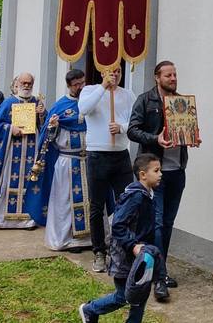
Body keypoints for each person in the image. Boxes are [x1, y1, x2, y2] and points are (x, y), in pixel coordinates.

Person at [128, 60, 190, 296]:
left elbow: (186, 130)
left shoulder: (182, 102)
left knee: (168, 223)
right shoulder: (145, 100)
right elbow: (132, 130)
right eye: (168, 75)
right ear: (157, 78)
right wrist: (156, 139)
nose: (173, 79)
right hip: (155, 174)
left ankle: (157, 268)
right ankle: (158, 276)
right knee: (156, 223)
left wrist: (192, 138)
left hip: (177, 171)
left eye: (175, 75)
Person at [78, 153, 164, 323]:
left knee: (140, 295)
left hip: (140, 256)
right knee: (124, 296)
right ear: (143, 174)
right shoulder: (135, 197)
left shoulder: (149, 195)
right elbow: (118, 225)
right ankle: (89, 310)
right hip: (125, 256)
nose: (160, 174)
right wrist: (133, 245)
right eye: (156, 170)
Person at [25, 69, 92, 251]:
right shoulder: (60, 106)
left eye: (82, 83)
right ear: (69, 86)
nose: (80, 87)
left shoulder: (91, 103)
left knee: (90, 199)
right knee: (65, 201)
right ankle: (67, 238)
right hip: (67, 161)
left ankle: (89, 238)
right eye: (76, 84)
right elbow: (48, 137)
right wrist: (53, 126)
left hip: (88, 161)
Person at [79, 66, 136, 274]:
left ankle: (122, 248)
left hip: (120, 155)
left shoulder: (127, 94)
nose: (115, 74)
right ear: (102, 72)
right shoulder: (90, 90)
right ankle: (99, 251)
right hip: (97, 154)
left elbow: (135, 121)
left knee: (127, 203)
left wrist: (122, 127)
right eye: (111, 70)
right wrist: (103, 86)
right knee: (97, 205)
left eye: (118, 70)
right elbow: (84, 109)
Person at [0, 72, 46, 229]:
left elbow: (44, 125)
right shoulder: (9, 102)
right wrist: (10, 129)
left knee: (29, 182)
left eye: (29, 83)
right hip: (11, 151)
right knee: (9, 182)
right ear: (18, 83)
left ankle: (27, 217)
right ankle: (2, 218)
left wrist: (42, 115)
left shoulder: (36, 102)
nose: (26, 86)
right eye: (24, 83)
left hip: (31, 149)